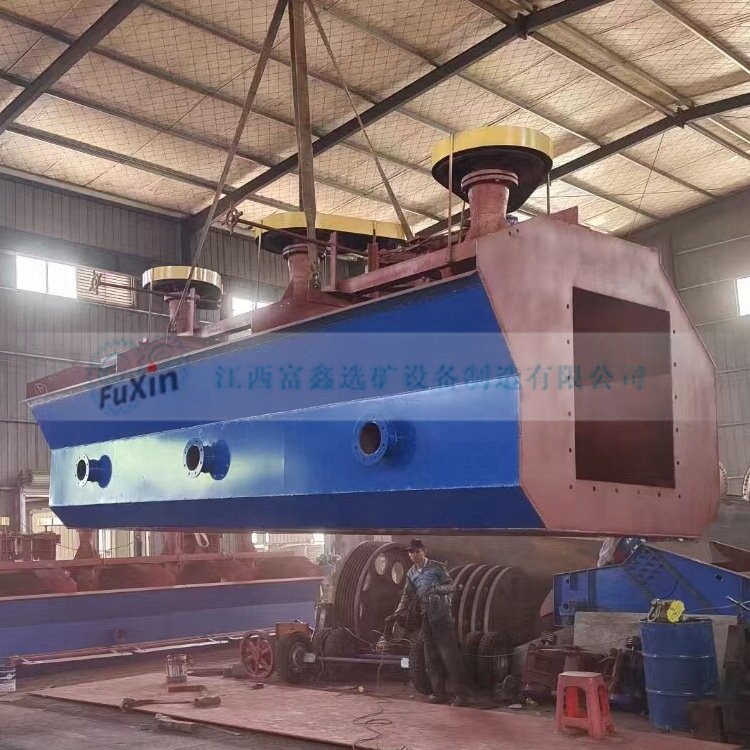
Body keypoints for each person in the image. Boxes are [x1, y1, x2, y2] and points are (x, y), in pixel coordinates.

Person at [386, 539, 469, 706]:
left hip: (441, 616)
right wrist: (397, 613)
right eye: (411, 552)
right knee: (431, 657)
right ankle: (439, 693)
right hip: (425, 617)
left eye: (417, 551)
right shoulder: (411, 573)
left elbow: (451, 586)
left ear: (424, 551)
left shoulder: (437, 567)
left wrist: (437, 590)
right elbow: (407, 595)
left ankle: (461, 695)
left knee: (449, 655)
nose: (413, 555)